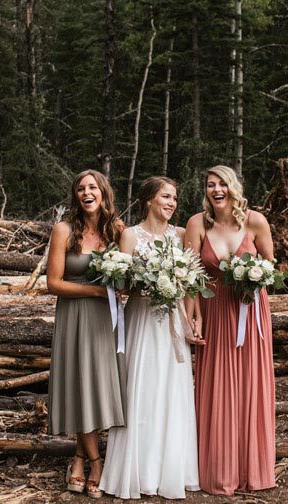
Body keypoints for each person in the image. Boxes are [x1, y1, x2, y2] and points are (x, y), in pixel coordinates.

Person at [99, 176, 201, 499]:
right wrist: (149, 283)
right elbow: (122, 285)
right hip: (142, 319)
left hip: (171, 322)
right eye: (165, 197)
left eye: (174, 198)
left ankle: (170, 470)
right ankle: (139, 471)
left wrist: (193, 314)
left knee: (172, 391)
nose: (171, 203)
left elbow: (191, 283)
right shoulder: (130, 235)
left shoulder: (182, 235)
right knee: (141, 390)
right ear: (149, 200)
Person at [184, 165, 276, 496]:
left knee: (251, 384)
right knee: (217, 385)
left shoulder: (255, 221)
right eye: (211, 184)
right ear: (206, 190)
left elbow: (271, 264)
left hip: (250, 312)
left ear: (233, 187)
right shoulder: (197, 224)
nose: (216, 189)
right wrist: (193, 316)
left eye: (222, 183)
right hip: (215, 309)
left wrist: (253, 275)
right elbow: (190, 276)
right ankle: (219, 472)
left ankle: (254, 471)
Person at [46, 169, 125, 498]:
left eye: (92, 187)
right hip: (75, 315)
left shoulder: (117, 231)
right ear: (75, 196)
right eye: (81, 188)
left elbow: (127, 273)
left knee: (96, 388)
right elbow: (53, 283)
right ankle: (96, 462)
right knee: (80, 386)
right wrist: (95, 292)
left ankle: (78, 457)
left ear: (104, 192)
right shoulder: (63, 230)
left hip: (107, 320)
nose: (86, 192)